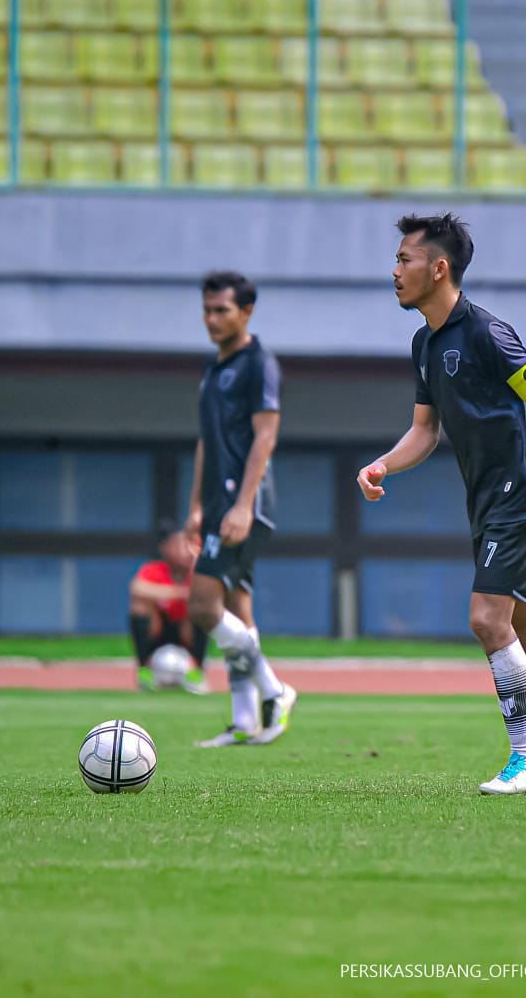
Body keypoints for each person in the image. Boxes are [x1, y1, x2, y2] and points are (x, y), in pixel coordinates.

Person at [359, 213, 526, 796]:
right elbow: (425, 431)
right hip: (493, 502)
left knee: (485, 620)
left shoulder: (488, 334)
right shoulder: (424, 343)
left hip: (519, 496)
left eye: (404, 259)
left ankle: (524, 762)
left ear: (438, 268)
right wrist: (382, 465)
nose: (395, 271)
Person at [187, 270, 297, 747]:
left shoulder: (259, 364)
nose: (212, 319)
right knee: (237, 607)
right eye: (207, 310)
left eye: (222, 310)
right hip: (217, 504)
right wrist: (195, 505)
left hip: (244, 503)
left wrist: (242, 505)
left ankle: (275, 689)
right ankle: (244, 721)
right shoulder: (213, 371)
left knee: (203, 606)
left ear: (246, 311)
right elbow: (205, 444)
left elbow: (265, 436)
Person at [129, 524, 209, 694]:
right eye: (179, 544)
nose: (184, 550)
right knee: (140, 605)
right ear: (165, 548)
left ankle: (196, 671)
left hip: (186, 632)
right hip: (158, 631)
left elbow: (207, 595)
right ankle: (144, 670)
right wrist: (180, 593)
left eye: (189, 544)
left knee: (203, 608)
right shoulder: (154, 569)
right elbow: (137, 588)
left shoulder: (199, 571)